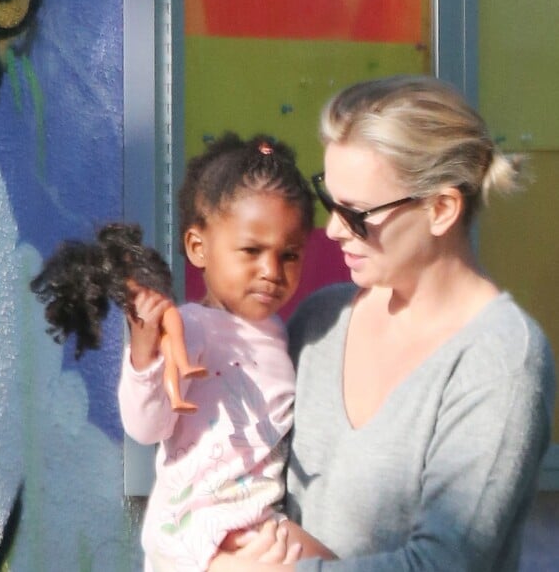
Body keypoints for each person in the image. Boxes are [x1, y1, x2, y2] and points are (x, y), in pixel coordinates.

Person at [209, 75, 556, 571]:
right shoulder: (320, 320)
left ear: (441, 208)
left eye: (356, 214)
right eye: (328, 200)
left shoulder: (501, 360)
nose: (332, 230)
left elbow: (445, 564)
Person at [118, 133, 331, 572]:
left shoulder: (279, 333)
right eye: (251, 251)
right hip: (199, 535)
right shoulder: (192, 329)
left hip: (256, 527)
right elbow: (146, 427)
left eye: (289, 255)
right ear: (199, 247)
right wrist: (145, 355)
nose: (271, 271)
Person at [30, 222, 207, 413]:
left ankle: (181, 378)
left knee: (172, 354)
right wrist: (143, 350)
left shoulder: (180, 315)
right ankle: (181, 377)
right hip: (157, 355)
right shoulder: (157, 307)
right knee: (173, 351)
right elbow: (144, 428)